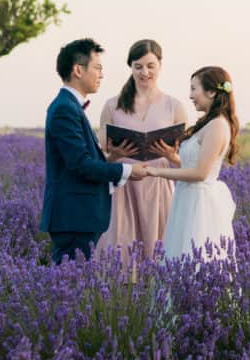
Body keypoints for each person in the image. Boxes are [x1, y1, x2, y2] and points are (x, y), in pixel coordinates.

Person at [41, 38, 149, 265]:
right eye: (97, 68)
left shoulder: (69, 106)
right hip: (73, 218)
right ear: (78, 70)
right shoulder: (64, 109)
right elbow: (80, 164)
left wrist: (112, 157)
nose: (101, 75)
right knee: (68, 287)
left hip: (78, 217)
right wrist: (127, 170)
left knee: (72, 285)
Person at [94, 39, 190, 263]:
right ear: (131, 68)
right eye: (138, 66)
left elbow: (186, 163)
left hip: (160, 187)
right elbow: (100, 158)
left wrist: (169, 155)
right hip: (124, 187)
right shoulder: (112, 106)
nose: (144, 72)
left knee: (162, 258)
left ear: (160, 65)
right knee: (121, 258)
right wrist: (115, 156)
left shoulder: (174, 106)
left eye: (150, 66)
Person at [148, 66, 239, 263]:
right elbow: (194, 163)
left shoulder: (217, 125)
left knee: (195, 256)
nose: (190, 96)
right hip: (187, 198)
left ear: (212, 92)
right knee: (180, 255)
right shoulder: (208, 122)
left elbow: (200, 173)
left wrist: (157, 171)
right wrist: (172, 158)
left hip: (199, 203)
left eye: (194, 89)